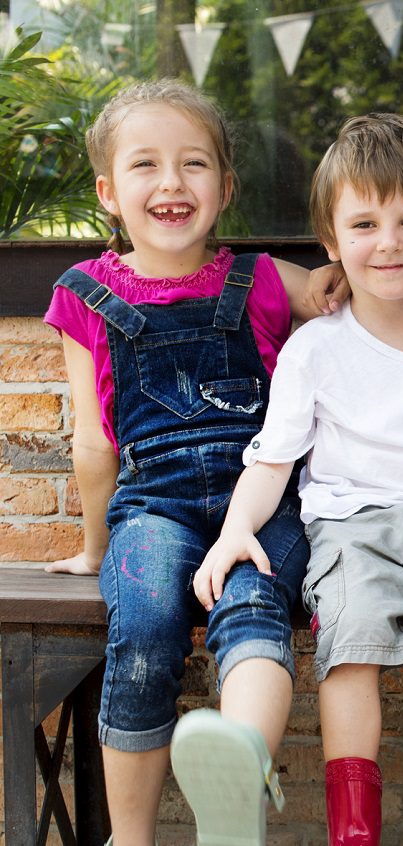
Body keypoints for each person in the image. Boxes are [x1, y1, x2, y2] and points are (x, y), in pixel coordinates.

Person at [199, 113, 403, 845]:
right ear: (331, 244)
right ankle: (354, 829)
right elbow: (273, 459)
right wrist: (233, 532)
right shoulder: (315, 348)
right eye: (365, 225)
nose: (389, 242)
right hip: (351, 524)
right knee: (350, 647)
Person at [40, 78, 320, 846]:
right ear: (108, 191)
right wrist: (98, 548)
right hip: (153, 512)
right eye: (145, 165)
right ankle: (130, 839)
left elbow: (359, 286)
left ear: (225, 187)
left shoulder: (263, 279)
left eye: (194, 164)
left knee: (252, 601)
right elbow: (95, 441)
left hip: (261, 506)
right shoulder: (87, 296)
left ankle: (238, 775)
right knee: (145, 626)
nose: (171, 182)